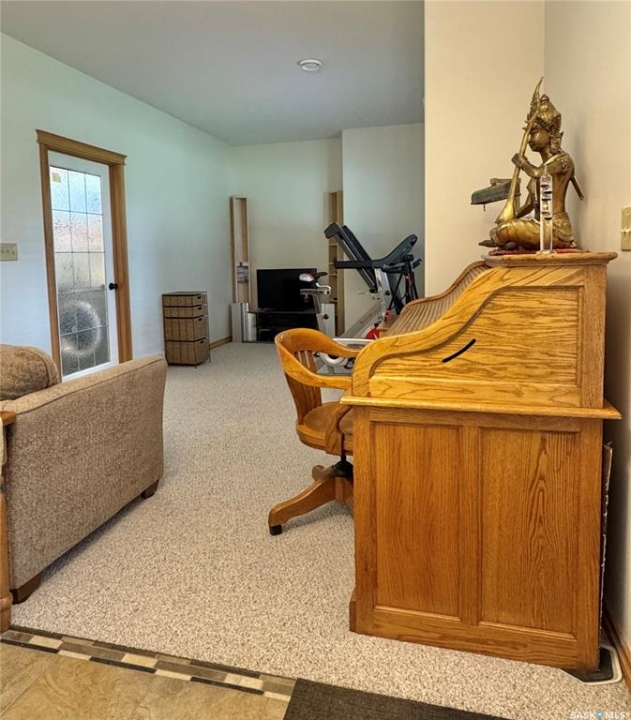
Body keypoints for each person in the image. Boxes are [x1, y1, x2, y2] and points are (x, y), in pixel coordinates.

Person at [483, 94, 582, 251]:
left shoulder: (563, 161)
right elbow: (529, 205)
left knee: (506, 230)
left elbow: (538, 173)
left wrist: (523, 163)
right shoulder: (542, 169)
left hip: (555, 230)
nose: (529, 139)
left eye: (534, 132)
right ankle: (503, 239)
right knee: (505, 229)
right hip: (539, 227)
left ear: (551, 131)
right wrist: (511, 216)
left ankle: (502, 237)